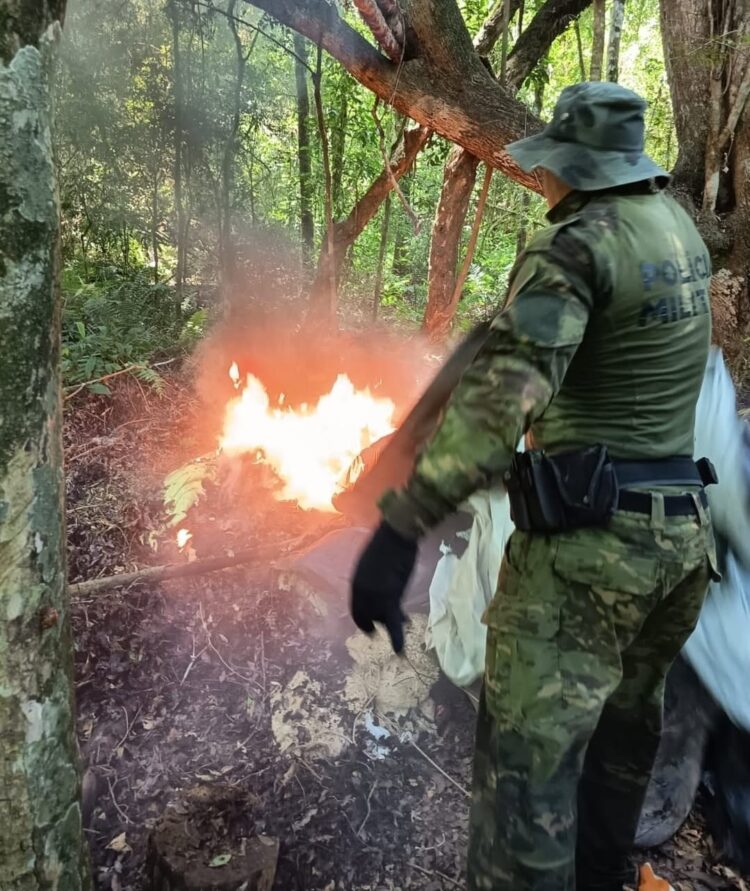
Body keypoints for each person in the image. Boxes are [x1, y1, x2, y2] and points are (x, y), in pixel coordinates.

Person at [350, 82, 718, 891]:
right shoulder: (678, 232)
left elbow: (500, 397)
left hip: (589, 562)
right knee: (616, 760)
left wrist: (401, 524)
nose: (544, 181)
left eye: (552, 167)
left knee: (526, 793)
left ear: (576, 168)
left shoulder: (579, 245)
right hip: (679, 548)